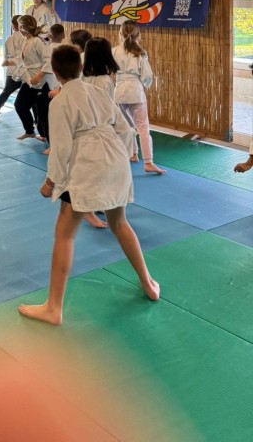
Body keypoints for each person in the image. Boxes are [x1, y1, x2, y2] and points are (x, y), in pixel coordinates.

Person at [18, 44, 160, 326]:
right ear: (81, 68)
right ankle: (148, 283)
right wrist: (118, 157)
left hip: (86, 164)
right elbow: (124, 129)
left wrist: (50, 182)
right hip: (115, 158)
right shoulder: (98, 93)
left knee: (64, 234)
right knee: (120, 223)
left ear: (56, 74)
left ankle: (53, 308)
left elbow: (60, 148)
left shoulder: (60, 101)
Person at [112, 21, 165, 175]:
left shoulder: (114, 51)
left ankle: (133, 154)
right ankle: (148, 162)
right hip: (135, 90)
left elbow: (110, 71)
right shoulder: (140, 53)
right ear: (138, 35)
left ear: (120, 34)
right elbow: (147, 75)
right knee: (142, 127)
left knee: (128, 126)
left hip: (120, 91)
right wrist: (144, 85)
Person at [4, 15, 44, 141]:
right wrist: (10, 62)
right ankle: (31, 131)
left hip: (38, 80)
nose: (19, 29)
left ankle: (40, 133)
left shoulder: (37, 41)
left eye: (21, 26)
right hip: (28, 78)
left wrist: (39, 75)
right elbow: (22, 58)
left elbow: (47, 61)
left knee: (24, 106)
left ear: (27, 26)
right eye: (19, 26)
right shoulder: (27, 41)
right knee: (25, 106)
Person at [0, 15, 23, 121]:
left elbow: (6, 56)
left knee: (6, 92)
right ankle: (37, 121)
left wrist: (9, 62)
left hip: (12, 70)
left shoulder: (9, 40)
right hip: (24, 70)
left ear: (13, 26)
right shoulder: (25, 39)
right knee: (31, 97)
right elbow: (25, 55)